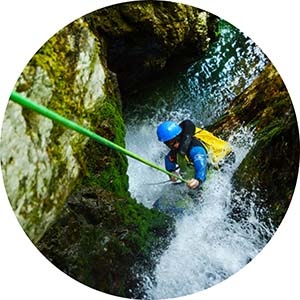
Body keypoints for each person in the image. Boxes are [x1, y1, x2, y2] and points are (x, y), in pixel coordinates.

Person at [157, 119, 208, 190]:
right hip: (190, 182)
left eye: (173, 142)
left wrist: (198, 180)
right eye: (168, 144)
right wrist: (171, 172)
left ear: (179, 136)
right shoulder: (176, 150)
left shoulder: (195, 149)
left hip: (207, 177)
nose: (172, 146)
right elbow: (168, 160)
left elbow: (202, 167)